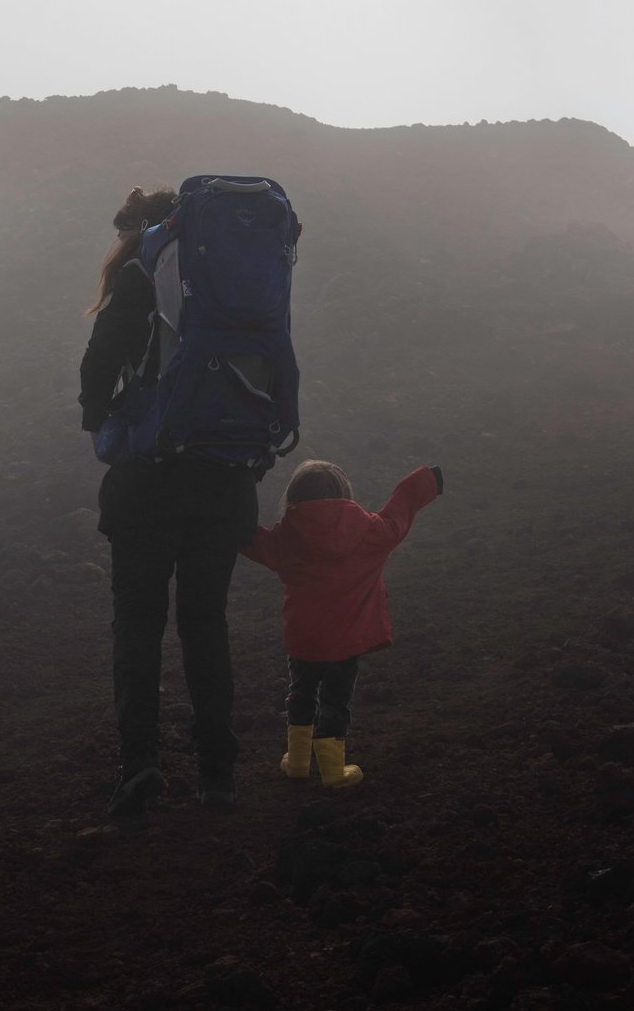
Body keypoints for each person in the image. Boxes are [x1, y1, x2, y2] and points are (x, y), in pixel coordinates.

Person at [79, 185, 260, 815]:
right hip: (225, 477)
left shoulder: (140, 273)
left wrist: (104, 420)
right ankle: (217, 775)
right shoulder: (236, 274)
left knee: (138, 622)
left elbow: (97, 366)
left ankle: (141, 765)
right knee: (205, 622)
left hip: (148, 483)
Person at [240, 459, 443, 788]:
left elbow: (247, 537)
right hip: (345, 641)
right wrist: (428, 479)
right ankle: (333, 770)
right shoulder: (371, 534)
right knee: (335, 701)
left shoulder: (284, 540)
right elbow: (398, 514)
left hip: (303, 639)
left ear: (294, 497)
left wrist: (223, 498)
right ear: (343, 494)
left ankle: (298, 762)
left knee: (301, 693)